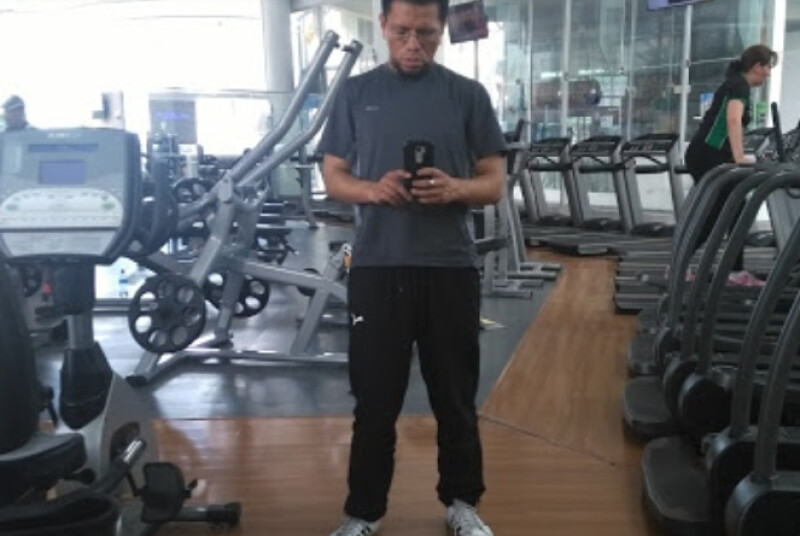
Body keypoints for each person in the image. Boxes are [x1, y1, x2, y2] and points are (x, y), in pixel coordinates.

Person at [318, 0, 506, 534]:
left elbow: (494, 182)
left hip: (449, 268)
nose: (413, 44)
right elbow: (334, 176)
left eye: (426, 32)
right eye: (401, 31)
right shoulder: (355, 94)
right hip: (378, 267)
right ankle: (363, 512)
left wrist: (455, 188)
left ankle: (463, 504)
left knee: (455, 397)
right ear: (383, 26)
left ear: (442, 29)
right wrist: (373, 191)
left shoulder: (468, 95)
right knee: (375, 399)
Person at [684, 44, 778, 277]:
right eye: (768, 68)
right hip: (709, 154)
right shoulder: (739, 86)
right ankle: (679, 266)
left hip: (707, 153)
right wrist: (739, 157)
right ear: (757, 66)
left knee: (736, 209)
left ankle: (734, 271)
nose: (768, 74)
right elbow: (733, 120)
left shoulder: (735, 83)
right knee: (719, 211)